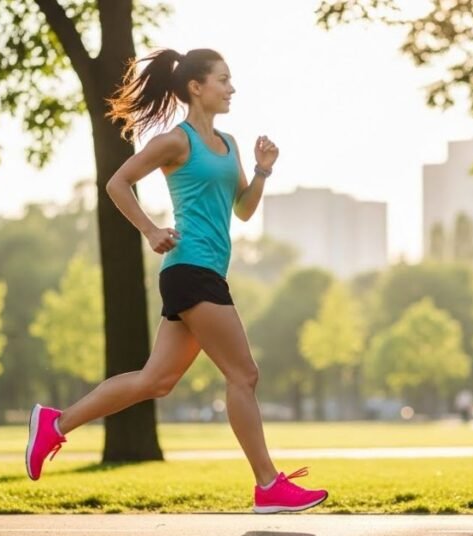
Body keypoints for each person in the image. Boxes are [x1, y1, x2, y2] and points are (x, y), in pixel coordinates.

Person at [23, 48, 328, 514]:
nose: (231, 88)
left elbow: (243, 210)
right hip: (190, 270)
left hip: (202, 273)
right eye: (223, 80)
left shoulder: (227, 144)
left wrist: (263, 170)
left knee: (156, 380)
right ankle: (268, 485)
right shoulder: (175, 141)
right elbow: (118, 182)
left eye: (231, 80)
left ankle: (55, 424)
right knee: (243, 374)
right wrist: (150, 230)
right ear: (195, 87)